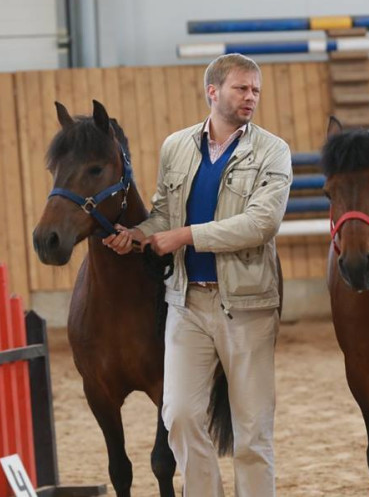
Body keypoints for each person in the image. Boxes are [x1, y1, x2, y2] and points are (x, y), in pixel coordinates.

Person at [103, 53, 292, 496]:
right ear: (213, 91)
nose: (251, 97)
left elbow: (261, 224)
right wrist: (135, 235)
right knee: (180, 416)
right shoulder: (176, 146)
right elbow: (164, 216)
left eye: (256, 90)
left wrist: (185, 236)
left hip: (247, 307)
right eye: (241, 88)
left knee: (251, 431)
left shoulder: (273, 151)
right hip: (185, 303)